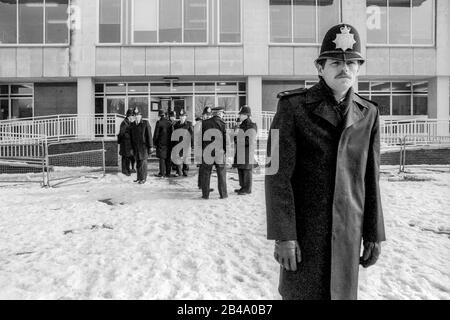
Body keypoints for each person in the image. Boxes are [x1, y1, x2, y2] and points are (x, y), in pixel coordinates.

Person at [265, 23, 385, 300]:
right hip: (304, 235)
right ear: (320, 68)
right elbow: (276, 175)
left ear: (359, 68)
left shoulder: (368, 114)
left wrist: (373, 232)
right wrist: (284, 235)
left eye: (352, 62)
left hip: (348, 232)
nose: (345, 68)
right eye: (335, 62)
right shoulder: (291, 107)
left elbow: (370, 177)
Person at [200, 107, 228, 199]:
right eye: (222, 113)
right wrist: (225, 151)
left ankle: (205, 195)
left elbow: (200, 138)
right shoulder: (223, 124)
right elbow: (226, 140)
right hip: (219, 152)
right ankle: (223, 194)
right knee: (221, 174)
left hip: (207, 151)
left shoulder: (204, 123)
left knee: (206, 174)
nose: (223, 115)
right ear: (219, 113)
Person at [234, 106, 257, 195]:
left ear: (246, 115)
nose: (239, 116)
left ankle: (247, 189)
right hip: (240, 150)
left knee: (247, 170)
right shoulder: (241, 125)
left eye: (241, 114)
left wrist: (238, 138)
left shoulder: (252, 125)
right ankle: (243, 187)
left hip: (247, 151)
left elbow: (249, 140)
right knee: (241, 169)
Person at [130, 109, 153, 184]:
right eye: (135, 115)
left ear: (141, 116)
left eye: (138, 115)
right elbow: (131, 137)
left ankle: (143, 179)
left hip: (144, 147)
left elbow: (149, 135)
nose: (136, 117)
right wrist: (131, 148)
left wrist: (151, 146)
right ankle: (139, 177)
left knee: (143, 163)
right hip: (136, 147)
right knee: (138, 163)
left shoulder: (145, 123)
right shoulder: (132, 124)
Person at [194, 107, 213, 191]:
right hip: (201, 149)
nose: (208, 117)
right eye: (206, 115)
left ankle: (202, 185)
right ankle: (203, 185)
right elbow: (197, 138)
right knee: (203, 168)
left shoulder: (208, 124)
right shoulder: (199, 124)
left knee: (204, 169)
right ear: (203, 115)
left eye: (209, 115)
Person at [172, 109, 194, 177]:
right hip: (177, 144)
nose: (182, 118)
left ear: (186, 117)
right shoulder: (176, 124)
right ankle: (178, 171)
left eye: (183, 116)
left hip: (186, 144)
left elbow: (192, 135)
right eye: (181, 116)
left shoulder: (189, 124)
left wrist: (192, 144)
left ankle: (185, 171)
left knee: (186, 158)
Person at [153, 110, 173, 178]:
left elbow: (156, 134)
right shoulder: (170, 123)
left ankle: (162, 173)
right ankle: (168, 173)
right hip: (169, 144)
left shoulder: (159, 123)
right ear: (165, 115)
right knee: (168, 158)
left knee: (162, 159)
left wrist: (154, 143)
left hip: (161, 143)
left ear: (159, 115)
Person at [118, 109, 136, 176]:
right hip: (125, 143)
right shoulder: (124, 122)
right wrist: (125, 137)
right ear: (129, 116)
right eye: (132, 115)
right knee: (125, 157)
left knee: (127, 157)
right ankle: (125, 170)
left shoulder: (128, 122)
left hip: (128, 143)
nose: (133, 117)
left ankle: (127, 170)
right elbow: (121, 133)